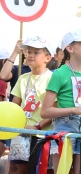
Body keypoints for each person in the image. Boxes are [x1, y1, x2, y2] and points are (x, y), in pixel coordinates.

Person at [41, 28, 81, 174]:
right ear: (70, 48)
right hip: (64, 126)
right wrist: (74, 110)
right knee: (62, 171)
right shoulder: (59, 73)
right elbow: (45, 111)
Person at [9, 36, 54, 173]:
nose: (30, 55)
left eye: (36, 52)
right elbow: (14, 106)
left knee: (38, 169)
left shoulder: (52, 78)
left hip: (41, 135)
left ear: (47, 57)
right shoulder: (22, 78)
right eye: (29, 51)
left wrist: (37, 126)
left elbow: (55, 109)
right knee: (17, 168)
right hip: (21, 133)